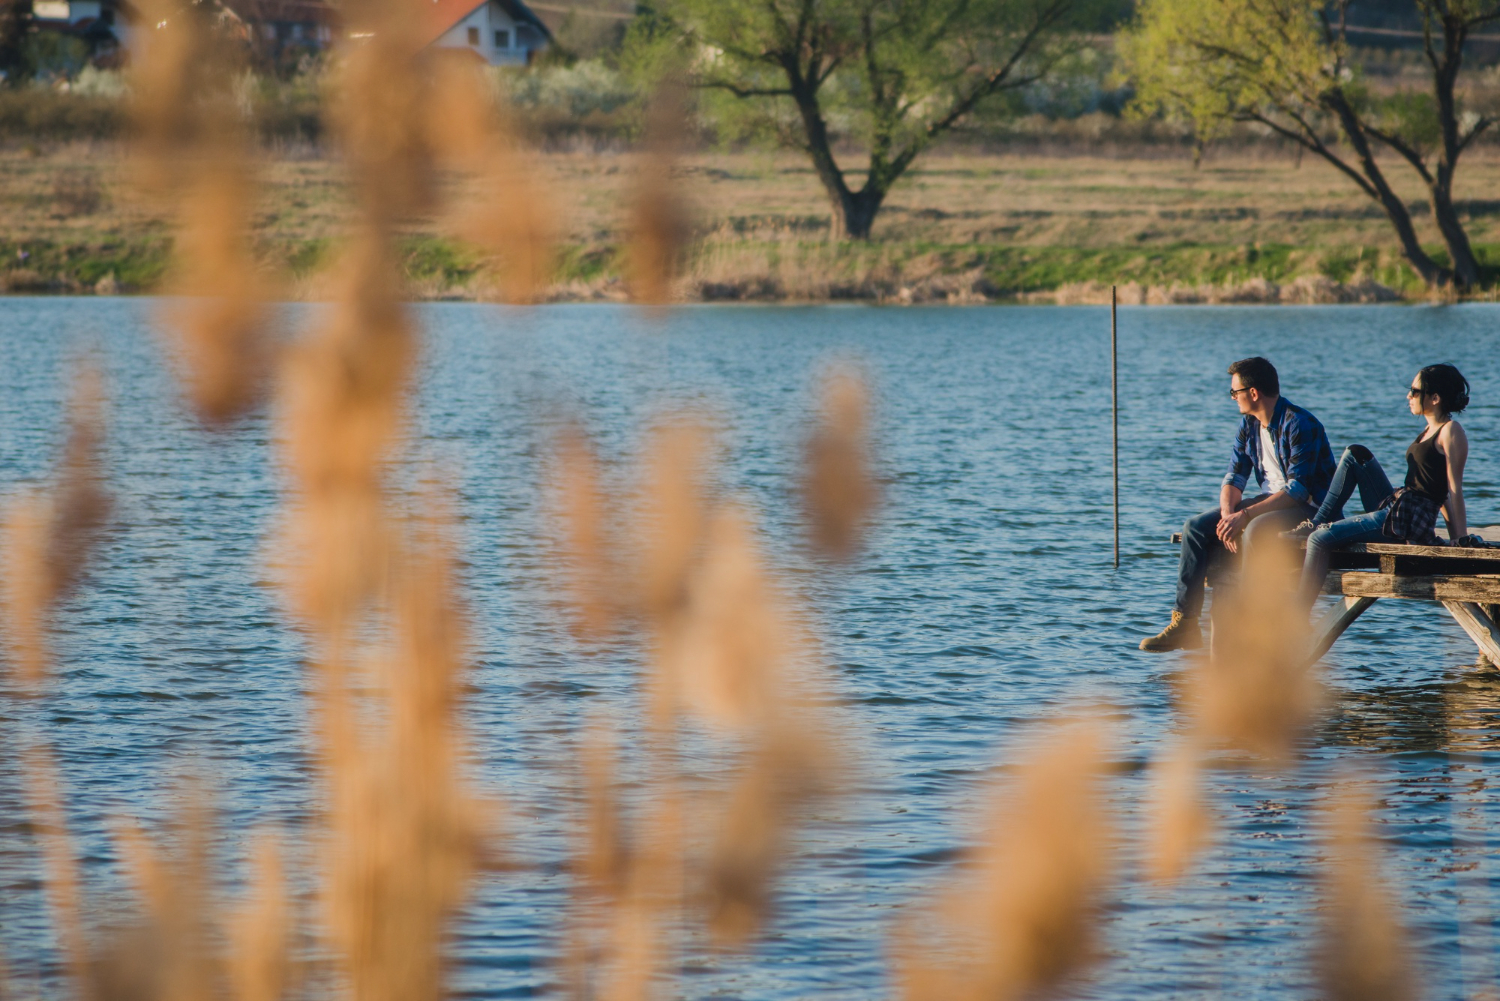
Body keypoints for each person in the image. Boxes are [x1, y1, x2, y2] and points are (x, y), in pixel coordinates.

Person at [1139, 356, 1336, 652]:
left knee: (1256, 528)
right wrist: (1228, 516)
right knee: (1194, 528)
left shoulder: (1299, 423)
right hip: (1270, 502)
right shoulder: (1249, 424)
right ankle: (1185, 625)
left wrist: (1244, 516)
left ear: (1253, 393)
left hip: (1310, 509)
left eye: (1235, 392)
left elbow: (1298, 490)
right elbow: (1234, 477)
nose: (1232, 397)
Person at [1292, 364, 1475, 609]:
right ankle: (1321, 519)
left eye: (1415, 391)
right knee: (1355, 455)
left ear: (1435, 398)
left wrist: (1459, 540)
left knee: (1318, 540)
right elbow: (1438, 490)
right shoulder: (1428, 430)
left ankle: (1297, 616)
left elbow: (1453, 489)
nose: (1408, 396)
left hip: (1406, 523)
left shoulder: (1451, 431)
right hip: (1398, 508)